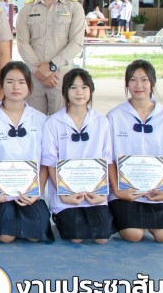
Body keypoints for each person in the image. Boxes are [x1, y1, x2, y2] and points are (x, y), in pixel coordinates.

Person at [0, 62, 52, 243]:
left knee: (34, 237)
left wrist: (37, 192)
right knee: (6, 237)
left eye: (21, 82)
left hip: (29, 193)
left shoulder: (41, 120)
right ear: (1, 86)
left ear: (29, 87)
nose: (15, 87)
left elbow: (45, 163)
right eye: (9, 82)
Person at [107, 60, 163, 243]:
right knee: (133, 235)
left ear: (152, 82)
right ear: (126, 84)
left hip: (157, 190)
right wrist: (118, 191)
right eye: (133, 80)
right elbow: (108, 159)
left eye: (144, 79)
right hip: (127, 192)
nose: (138, 85)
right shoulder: (115, 116)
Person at [41, 68, 113, 244]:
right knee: (76, 237)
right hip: (65, 196)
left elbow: (107, 159)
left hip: (94, 195)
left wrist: (102, 195)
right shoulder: (53, 122)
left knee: (101, 238)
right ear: (65, 91)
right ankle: (60, 216)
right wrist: (63, 194)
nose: (79, 92)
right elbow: (50, 163)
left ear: (91, 90)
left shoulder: (101, 122)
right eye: (73, 87)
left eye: (84, 87)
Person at [15, 0, 85, 116]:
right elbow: (22, 43)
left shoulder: (74, 7)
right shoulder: (26, 10)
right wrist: (39, 71)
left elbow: (76, 43)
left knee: (60, 122)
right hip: (34, 77)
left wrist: (52, 66)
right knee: (34, 123)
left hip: (61, 77)